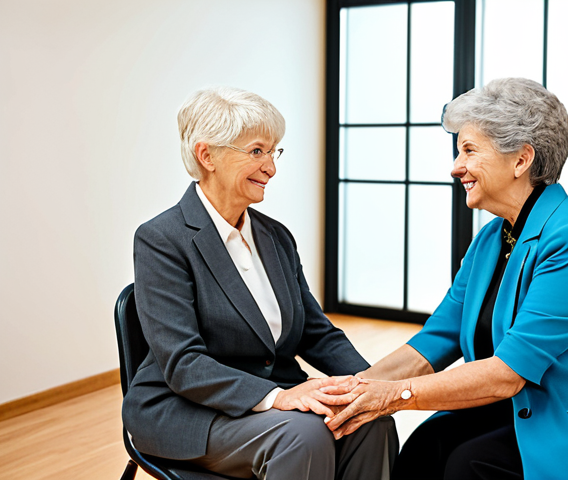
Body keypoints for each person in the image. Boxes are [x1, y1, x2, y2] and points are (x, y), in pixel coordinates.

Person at [323, 78, 568, 480]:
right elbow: (436, 338)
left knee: (465, 467)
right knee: (426, 447)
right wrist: (352, 390)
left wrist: (396, 396)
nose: (456, 167)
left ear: (521, 159)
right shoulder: (494, 238)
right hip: (527, 408)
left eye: (469, 151)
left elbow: (508, 374)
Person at [122, 87, 397, 480]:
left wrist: (371, 387)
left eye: (274, 151)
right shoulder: (162, 239)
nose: (271, 167)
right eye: (256, 152)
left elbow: (317, 334)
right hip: (185, 411)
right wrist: (279, 397)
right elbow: (183, 363)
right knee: (304, 435)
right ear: (207, 155)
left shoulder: (276, 237)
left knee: (370, 421)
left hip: (270, 403)